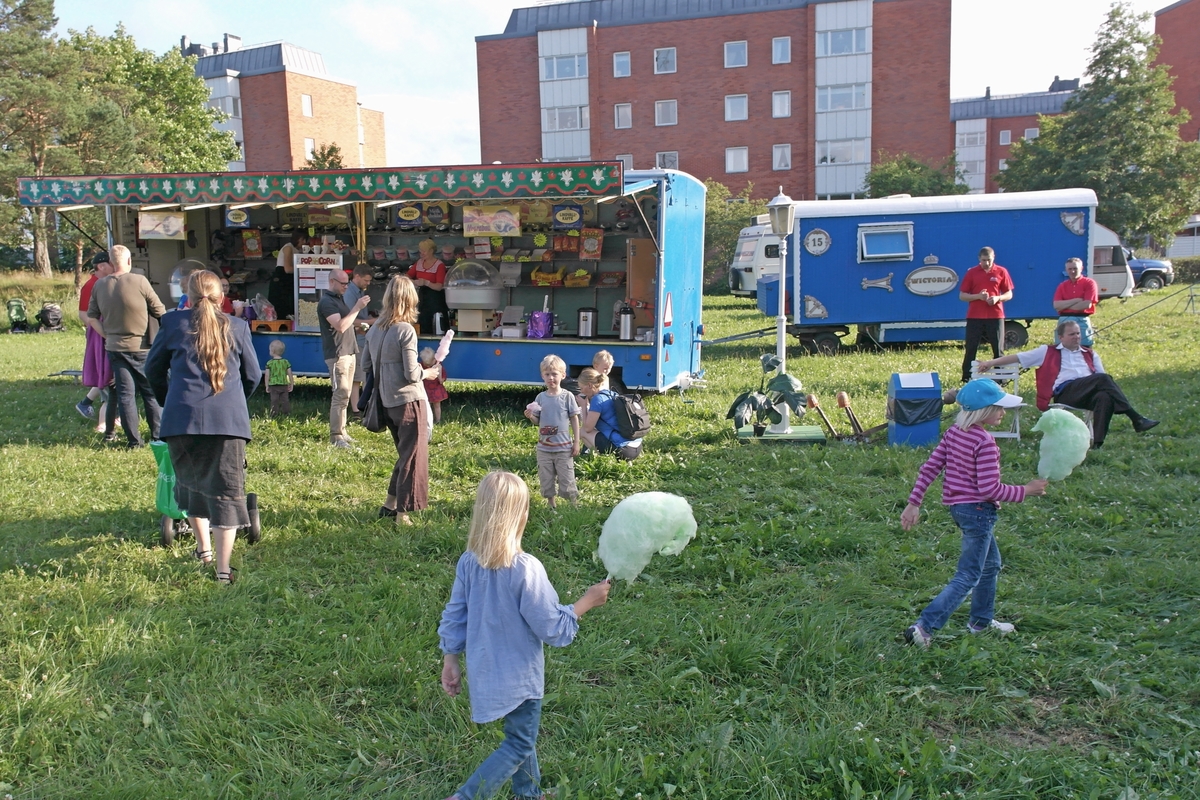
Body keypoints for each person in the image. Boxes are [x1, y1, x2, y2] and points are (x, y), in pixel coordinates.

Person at [437, 471, 611, 800]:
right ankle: (466, 796)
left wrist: (450, 658)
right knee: (519, 743)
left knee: (520, 734)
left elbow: (455, 613)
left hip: (486, 670)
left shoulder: (468, 563)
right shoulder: (525, 568)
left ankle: (528, 794)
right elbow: (551, 626)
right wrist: (586, 602)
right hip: (519, 678)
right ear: (522, 515)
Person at [899, 379, 1048, 648]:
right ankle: (924, 628)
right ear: (983, 411)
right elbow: (990, 489)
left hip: (960, 510)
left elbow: (930, 468)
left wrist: (914, 502)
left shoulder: (955, 432)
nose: (1003, 412)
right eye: (998, 407)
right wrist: (1026, 490)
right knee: (968, 575)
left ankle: (980, 622)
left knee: (990, 565)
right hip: (979, 512)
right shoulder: (985, 442)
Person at [147, 270, 262, 585]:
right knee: (228, 494)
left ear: (188, 296)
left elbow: (152, 370)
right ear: (221, 297)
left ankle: (204, 551)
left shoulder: (172, 324)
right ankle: (223, 571)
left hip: (181, 420)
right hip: (228, 422)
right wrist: (236, 403)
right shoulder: (237, 327)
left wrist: (168, 401)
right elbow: (253, 375)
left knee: (191, 487)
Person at [977, 318, 1159, 448]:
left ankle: (1097, 443)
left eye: (1078, 334)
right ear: (1061, 337)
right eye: (1072, 334)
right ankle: (1136, 418)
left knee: (1104, 395)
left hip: (1089, 391)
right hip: (1067, 392)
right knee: (1103, 380)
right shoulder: (1048, 351)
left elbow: (1103, 379)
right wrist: (991, 363)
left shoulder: (1090, 354)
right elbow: (1018, 357)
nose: (1076, 337)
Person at [361, 275, 437, 525]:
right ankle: (403, 514)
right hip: (408, 402)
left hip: (385, 401)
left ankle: (388, 505)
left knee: (405, 454)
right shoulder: (405, 330)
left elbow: (366, 366)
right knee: (413, 458)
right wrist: (429, 372)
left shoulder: (375, 329)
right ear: (410, 300)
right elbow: (412, 374)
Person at [87, 244, 166, 448]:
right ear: (129, 261)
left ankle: (133, 441)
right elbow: (159, 310)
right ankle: (157, 435)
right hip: (141, 346)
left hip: (114, 347)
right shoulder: (139, 281)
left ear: (111, 263)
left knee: (125, 394)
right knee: (149, 392)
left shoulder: (100, 285)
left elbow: (92, 317)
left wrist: (107, 334)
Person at [318, 268, 371, 449]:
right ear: (331, 282)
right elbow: (340, 326)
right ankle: (336, 436)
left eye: (347, 283)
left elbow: (346, 323)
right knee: (340, 394)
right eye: (342, 283)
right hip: (337, 354)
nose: (345, 287)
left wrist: (358, 327)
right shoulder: (326, 302)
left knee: (346, 394)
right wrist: (357, 307)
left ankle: (343, 431)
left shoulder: (339, 299)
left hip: (349, 351)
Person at [523, 355, 580, 509]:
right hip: (544, 449)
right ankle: (551, 504)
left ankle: (574, 505)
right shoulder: (540, 398)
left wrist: (576, 442)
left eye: (554, 374)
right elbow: (538, 421)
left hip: (563, 448)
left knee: (567, 477)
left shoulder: (567, 396)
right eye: (547, 375)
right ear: (542, 376)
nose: (551, 378)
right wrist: (531, 416)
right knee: (546, 478)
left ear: (563, 375)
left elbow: (574, 418)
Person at [75, 251, 119, 438]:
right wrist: (102, 333)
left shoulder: (107, 283)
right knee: (106, 374)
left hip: (105, 334)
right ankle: (104, 423)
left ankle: (87, 403)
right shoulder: (91, 285)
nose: (114, 267)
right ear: (101, 266)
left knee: (109, 374)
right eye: (111, 264)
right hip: (100, 336)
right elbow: (84, 314)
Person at [959, 246, 1014, 383]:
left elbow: (1009, 293)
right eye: (984, 260)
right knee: (971, 347)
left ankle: (1000, 378)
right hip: (975, 316)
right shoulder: (972, 272)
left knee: (998, 348)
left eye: (989, 260)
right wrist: (978, 296)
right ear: (979, 259)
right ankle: (967, 377)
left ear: (993, 258)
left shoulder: (1001, 271)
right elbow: (962, 296)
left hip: (995, 315)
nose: (987, 263)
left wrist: (997, 298)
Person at [577, 368, 643, 461]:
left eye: (581, 388)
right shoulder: (612, 393)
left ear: (589, 385)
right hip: (636, 446)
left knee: (582, 432)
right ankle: (624, 460)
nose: (581, 391)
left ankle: (605, 460)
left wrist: (583, 406)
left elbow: (587, 428)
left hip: (624, 450)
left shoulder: (597, 400)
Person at [343, 265, 374, 415]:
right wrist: (372, 321)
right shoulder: (350, 294)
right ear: (357, 277)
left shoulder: (359, 292)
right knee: (357, 376)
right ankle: (356, 409)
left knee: (361, 375)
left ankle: (360, 405)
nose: (368, 283)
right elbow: (349, 318)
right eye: (366, 280)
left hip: (361, 337)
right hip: (355, 339)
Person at [1052, 257, 1098, 346]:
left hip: (1081, 319)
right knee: (1060, 348)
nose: (1072, 271)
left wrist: (1065, 305)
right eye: (1070, 269)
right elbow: (1056, 305)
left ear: (1081, 268)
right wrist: (1076, 300)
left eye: (1075, 268)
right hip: (1064, 319)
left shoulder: (1090, 283)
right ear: (1066, 270)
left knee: (1084, 348)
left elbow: (1086, 305)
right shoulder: (1062, 286)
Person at [411, 238, 448, 334]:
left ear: (431, 251)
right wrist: (414, 282)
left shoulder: (439, 265)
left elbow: (439, 286)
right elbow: (407, 275)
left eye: (424, 251)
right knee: (423, 321)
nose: (421, 253)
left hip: (436, 299)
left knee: (437, 324)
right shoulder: (419, 263)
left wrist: (426, 283)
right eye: (420, 250)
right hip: (422, 298)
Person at [268, 231, 305, 321]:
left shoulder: (298, 250)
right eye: (304, 240)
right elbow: (287, 269)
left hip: (289, 279)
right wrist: (303, 270)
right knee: (280, 303)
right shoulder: (288, 247)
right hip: (281, 278)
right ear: (299, 239)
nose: (305, 243)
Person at [265, 339, 294, 416]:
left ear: (272, 351)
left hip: (273, 385)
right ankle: (286, 413)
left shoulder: (269, 363)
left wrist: (267, 385)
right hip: (284, 384)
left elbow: (267, 375)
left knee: (274, 400)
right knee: (285, 400)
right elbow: (290, 374)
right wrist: (291, 383)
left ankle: (274, 414)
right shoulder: (286, 362)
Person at [420, 346, 449, 424]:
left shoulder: (438, 365)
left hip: (434, 390)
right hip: (427, 390)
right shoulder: (421, 366)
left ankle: (437, 420)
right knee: (428, 406)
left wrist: (439, 373)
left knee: (435, 406)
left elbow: (441, 381)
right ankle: (428, 420)